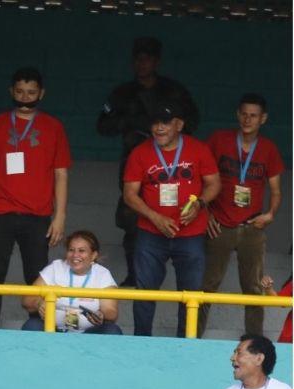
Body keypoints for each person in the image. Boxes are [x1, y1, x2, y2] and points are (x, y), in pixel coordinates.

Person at [97, 36, 200, 288]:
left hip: (172, 165)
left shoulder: (172, 91)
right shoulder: (123, 93)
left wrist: (167, 133)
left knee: (176, 212)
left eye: (148, 59)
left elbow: (193, 122)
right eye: (138, 59)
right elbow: (103, 125)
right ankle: (136, 273)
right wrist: (130, 123)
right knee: (132, 216)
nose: (142, 64)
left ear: (156, 61)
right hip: (136, 160)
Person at [0, 67, 71, 330]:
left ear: (41, 93)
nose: (25, 98)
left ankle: (36, 328)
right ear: (11, 91)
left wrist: (60, 216)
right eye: (19, 92)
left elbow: (61, 174)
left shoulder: (54, 127)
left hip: (38, 214)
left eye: (31, 92)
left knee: (37, 276)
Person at [122, 104, 220, 336]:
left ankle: (185, 345)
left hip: (191, 234)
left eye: (165, 123)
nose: (158, 128)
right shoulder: (140, 152)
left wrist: (200, 204)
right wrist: (155, 217)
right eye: (155, 123)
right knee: (145, 292)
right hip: (151, 233)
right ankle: (142, 342)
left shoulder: (199, 149)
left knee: (191, 294)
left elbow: (214, 183)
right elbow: (129, 194)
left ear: (179, 124)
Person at [201, 94, 286, 336]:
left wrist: (270, 214)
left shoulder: (268, 149)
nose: (248, 119)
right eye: (244, 114)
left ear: (263, 119)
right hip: (219, 224)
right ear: (238, 115)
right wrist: (205, 214)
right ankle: (192, 339)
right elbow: (201, 177)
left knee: (254, 289)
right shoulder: (219, 140)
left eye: (254, 115)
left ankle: (255, 343)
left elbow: (276, 190)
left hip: (252, 227)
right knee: (206, 288)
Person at [22, 230, 121, 333]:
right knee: (32, 325)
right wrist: (39, 303)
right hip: (53, 330)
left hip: (88, 334)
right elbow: (27, 301)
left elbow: (111, 312)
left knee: (111, 330)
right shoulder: (56, 267)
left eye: (81, 251)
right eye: (71, 250)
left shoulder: (102, 274)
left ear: (93, 255)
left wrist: (101, 314)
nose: (75, 255)